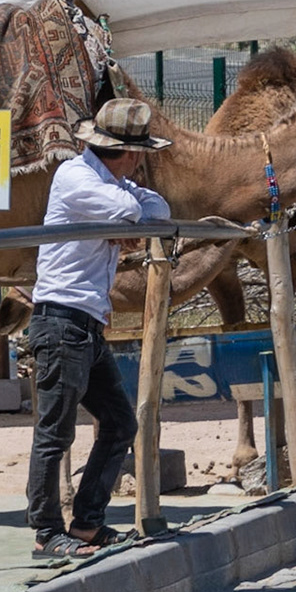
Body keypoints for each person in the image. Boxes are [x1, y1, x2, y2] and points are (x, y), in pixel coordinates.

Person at [25, 97, 171, 559]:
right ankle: (47, 531)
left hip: (84, 324)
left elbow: (158, 211)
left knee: (119, 422)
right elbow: (134, 213)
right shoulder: (75, 176)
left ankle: (87, 522)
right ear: (129, 153)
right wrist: (126, 218)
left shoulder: (108, 183)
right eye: (140, 152)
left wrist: (126, 217)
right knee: (55, 432)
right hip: (61, 321)